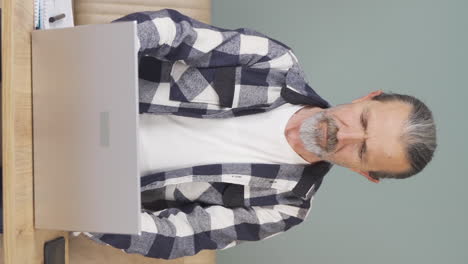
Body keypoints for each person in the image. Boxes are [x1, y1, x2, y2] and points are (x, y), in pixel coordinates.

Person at [3, 9, 438, 260]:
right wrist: (96, 56)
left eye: (362, 153)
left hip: (58, 187)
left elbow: (178, 237)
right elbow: (177, 34)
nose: (343, 136)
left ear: (366, 175)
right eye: (362, 121)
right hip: (54, 87)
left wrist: (93, 212)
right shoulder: (275, 63)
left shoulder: (285, 208)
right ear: (367, 97)